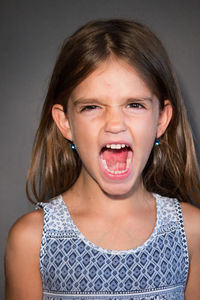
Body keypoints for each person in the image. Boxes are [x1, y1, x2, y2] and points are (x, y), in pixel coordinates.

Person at [5, 19, 200, 300]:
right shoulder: (31, 241)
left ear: (161, 119)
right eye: (92, 107)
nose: (115, 124)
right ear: (65, 123)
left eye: (134, 105)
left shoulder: (192, 232)